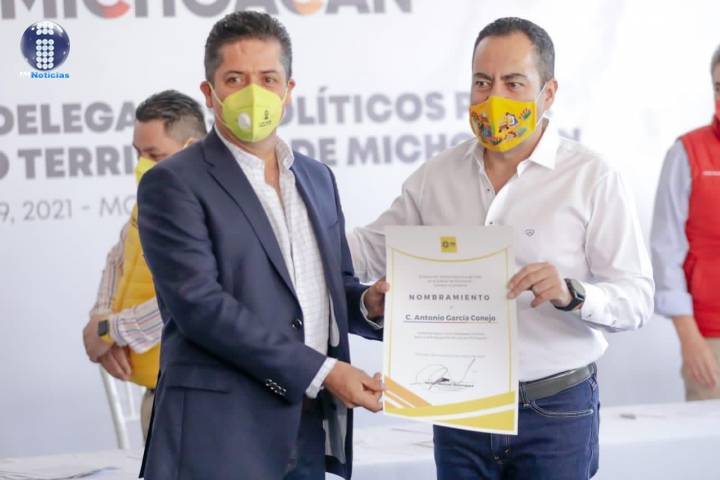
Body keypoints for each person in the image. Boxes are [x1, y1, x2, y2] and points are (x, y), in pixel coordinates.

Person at [348, 17, 653, 479]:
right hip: (460, 409)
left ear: (548, 93)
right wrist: (286, 240)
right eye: (482, 82)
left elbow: (637, 299)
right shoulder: (437, 176)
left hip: (555, 410)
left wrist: (573, 294)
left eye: (513, 83)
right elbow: (366, 250)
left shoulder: (591, 177)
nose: (494, 99)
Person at [136, 11, 387, 480]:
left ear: (288, 90)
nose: (254, 92)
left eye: (268, 78)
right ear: (209, 92)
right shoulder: (172, 182)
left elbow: (329, 288)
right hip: (220, 438)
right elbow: (201, 308)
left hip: (307, 427)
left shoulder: (316, 177)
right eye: (235, 79)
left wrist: (367, 304)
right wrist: (323, 371)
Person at [83, 90, 207, 439]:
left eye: (154, 155)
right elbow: (117, 260)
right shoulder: (150, 202)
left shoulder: (211, 210)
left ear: (192, 149)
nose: (142, 164)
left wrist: (109, 332)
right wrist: (101, 318)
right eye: (138, 153)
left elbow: (188, 300)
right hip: (156, 395)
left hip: (199, 398)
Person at [651, 44, 720, 401]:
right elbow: (666, 252)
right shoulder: (687, 153)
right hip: (711, 337)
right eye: (719, 87)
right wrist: (689, 337)